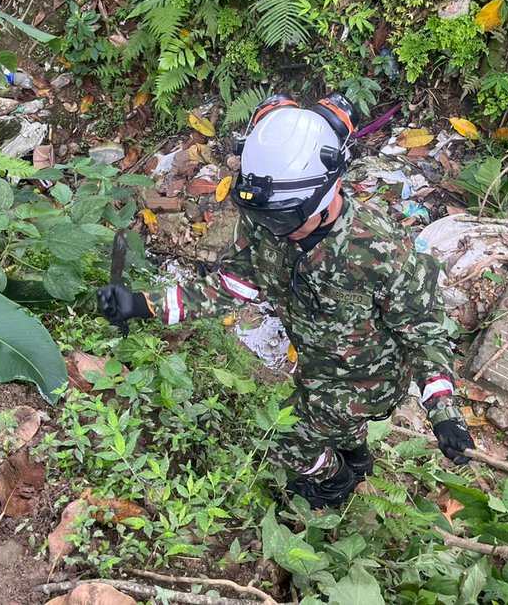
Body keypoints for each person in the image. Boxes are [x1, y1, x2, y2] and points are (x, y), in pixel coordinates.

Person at [96, 93, 473, 509]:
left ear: (331, 188)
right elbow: (233, 287)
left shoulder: (380, 252)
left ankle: (335, 481)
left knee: (285, 441)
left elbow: (427, 335)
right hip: (314, 366)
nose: (276, 230)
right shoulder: (267, 220)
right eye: (266, 217)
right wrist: (140, 304)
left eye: (286, 217)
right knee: (332, 426)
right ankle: (354, 460)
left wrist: (444, 413)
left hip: (369, 380)